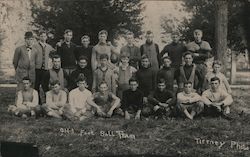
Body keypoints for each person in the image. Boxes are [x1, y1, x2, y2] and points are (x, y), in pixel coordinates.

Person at [33, 30, 55, 103]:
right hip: (37, 69)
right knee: (36, 86)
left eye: (44, 36)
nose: (43, 37)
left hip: (45, 69)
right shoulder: (35, 46)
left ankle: (47, 102)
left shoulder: (49, 47)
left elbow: (54, 55)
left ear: (46, 37)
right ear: (39, 37)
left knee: (45, 86)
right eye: (41, 36)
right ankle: (38, 102)